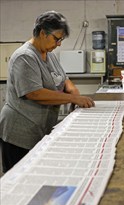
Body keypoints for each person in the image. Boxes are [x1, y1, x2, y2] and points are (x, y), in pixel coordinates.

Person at [0, 11, 95, 173]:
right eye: (57, 38)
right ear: (43, 33)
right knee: (20, 179)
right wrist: (73, 99)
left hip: (40, 129)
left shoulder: (49, 55)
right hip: (20, 133)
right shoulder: (25, 56)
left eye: (61, 39)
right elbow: (35, 93)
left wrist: (74, 94)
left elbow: (64, 79)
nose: (59, 44)